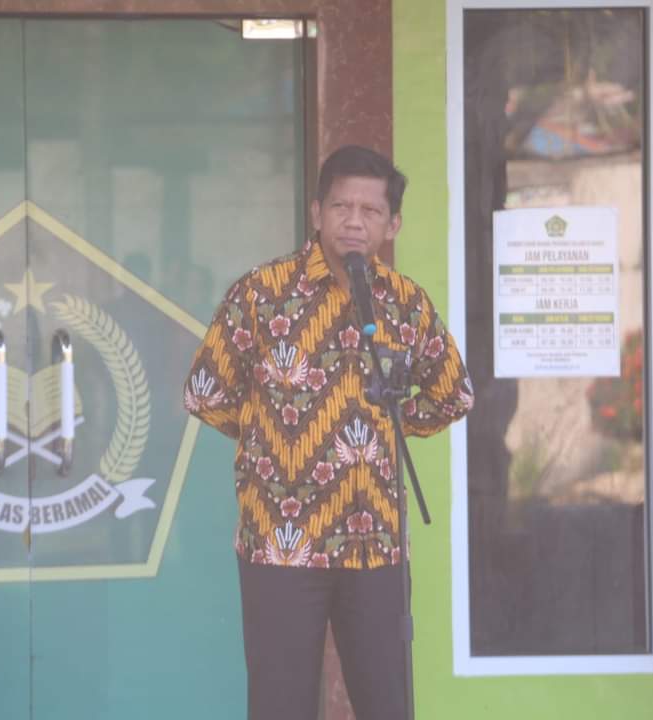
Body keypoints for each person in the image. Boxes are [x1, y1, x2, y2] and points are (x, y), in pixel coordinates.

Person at [183, 145, 474, 720]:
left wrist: (391, 428)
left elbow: (453, 393)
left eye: (371, 210)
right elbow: (205, 392)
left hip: (376, 543)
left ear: (392, 225)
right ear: (317, 212)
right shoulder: (261, 294)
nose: (354, 221)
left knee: (388, 705)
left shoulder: (406, 304)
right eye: (341, 206)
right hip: (281, 542)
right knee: (281, 706)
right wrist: (272, 441)